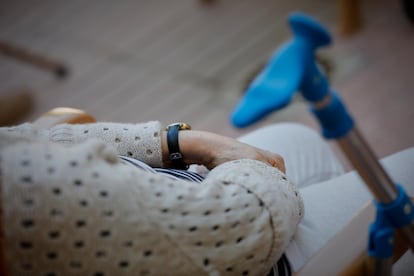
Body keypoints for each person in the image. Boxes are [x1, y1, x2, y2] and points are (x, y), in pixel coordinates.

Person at [0, 120, 413, 275]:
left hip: (183, 213)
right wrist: (249, 166)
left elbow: (36, 136)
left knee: (297, 139)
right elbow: (232, 232)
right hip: (238, 244)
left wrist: (182, 142)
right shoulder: (29, 202)